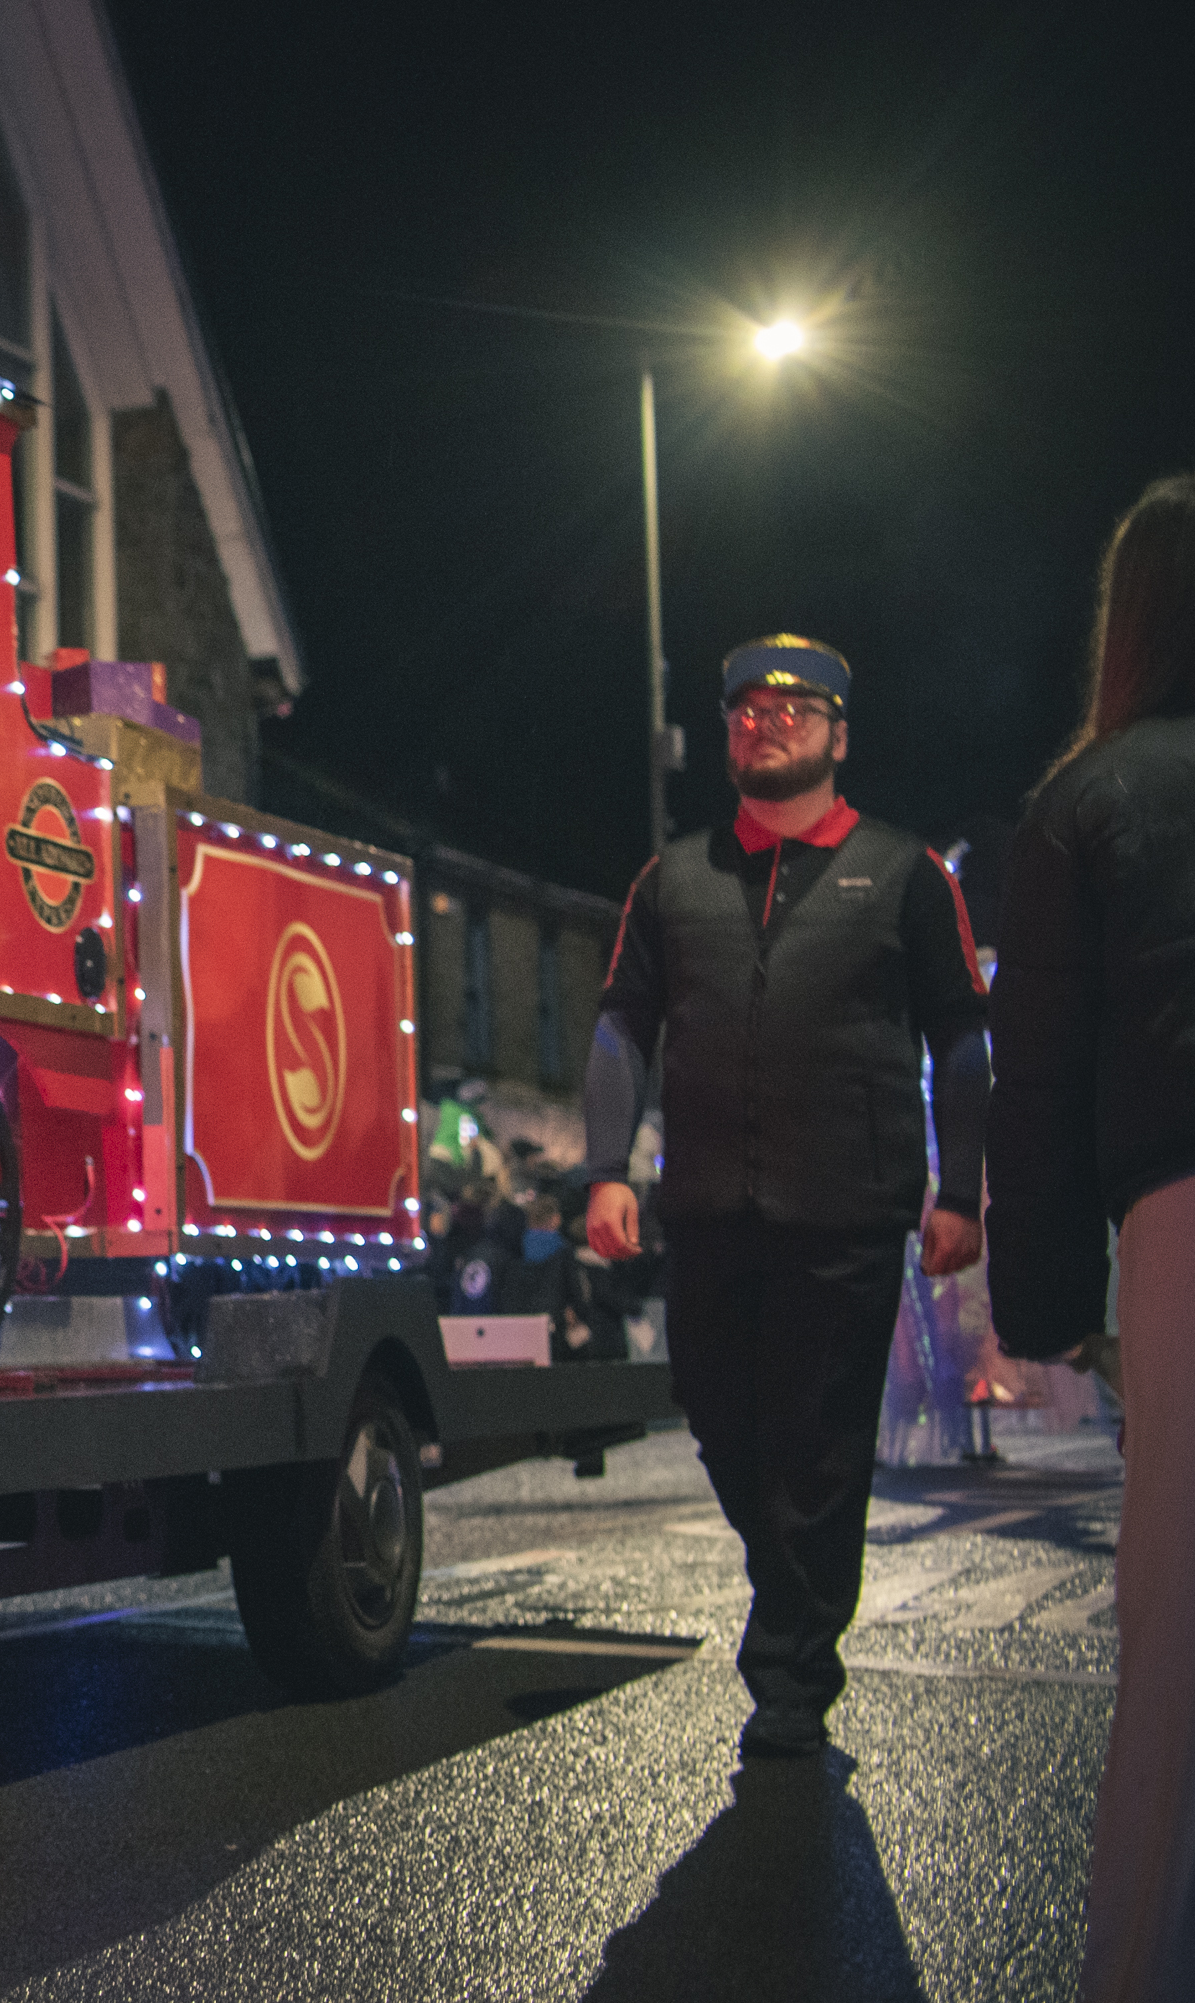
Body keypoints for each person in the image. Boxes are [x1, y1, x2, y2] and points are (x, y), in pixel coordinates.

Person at [583, 633, 989, 1761]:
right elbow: (622, 1021)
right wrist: (605, 1165)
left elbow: (961, 1035)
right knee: (718, 1419)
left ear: (839, 732)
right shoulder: (673, 878)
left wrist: (960, 1185)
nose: (767, 720)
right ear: (725, 732)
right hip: (708, 1208)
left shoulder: (905, 872)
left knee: (817, 1442)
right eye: (747, 708)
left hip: (847, 1212)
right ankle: (793, 1593)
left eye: (795, 706)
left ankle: (793, 1675)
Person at [984, 474, 1195, 2003]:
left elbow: (1038, 1082)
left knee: (1172, 1636)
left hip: (1181, 1200)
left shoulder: (1087, 799)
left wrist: (1060, 1309)